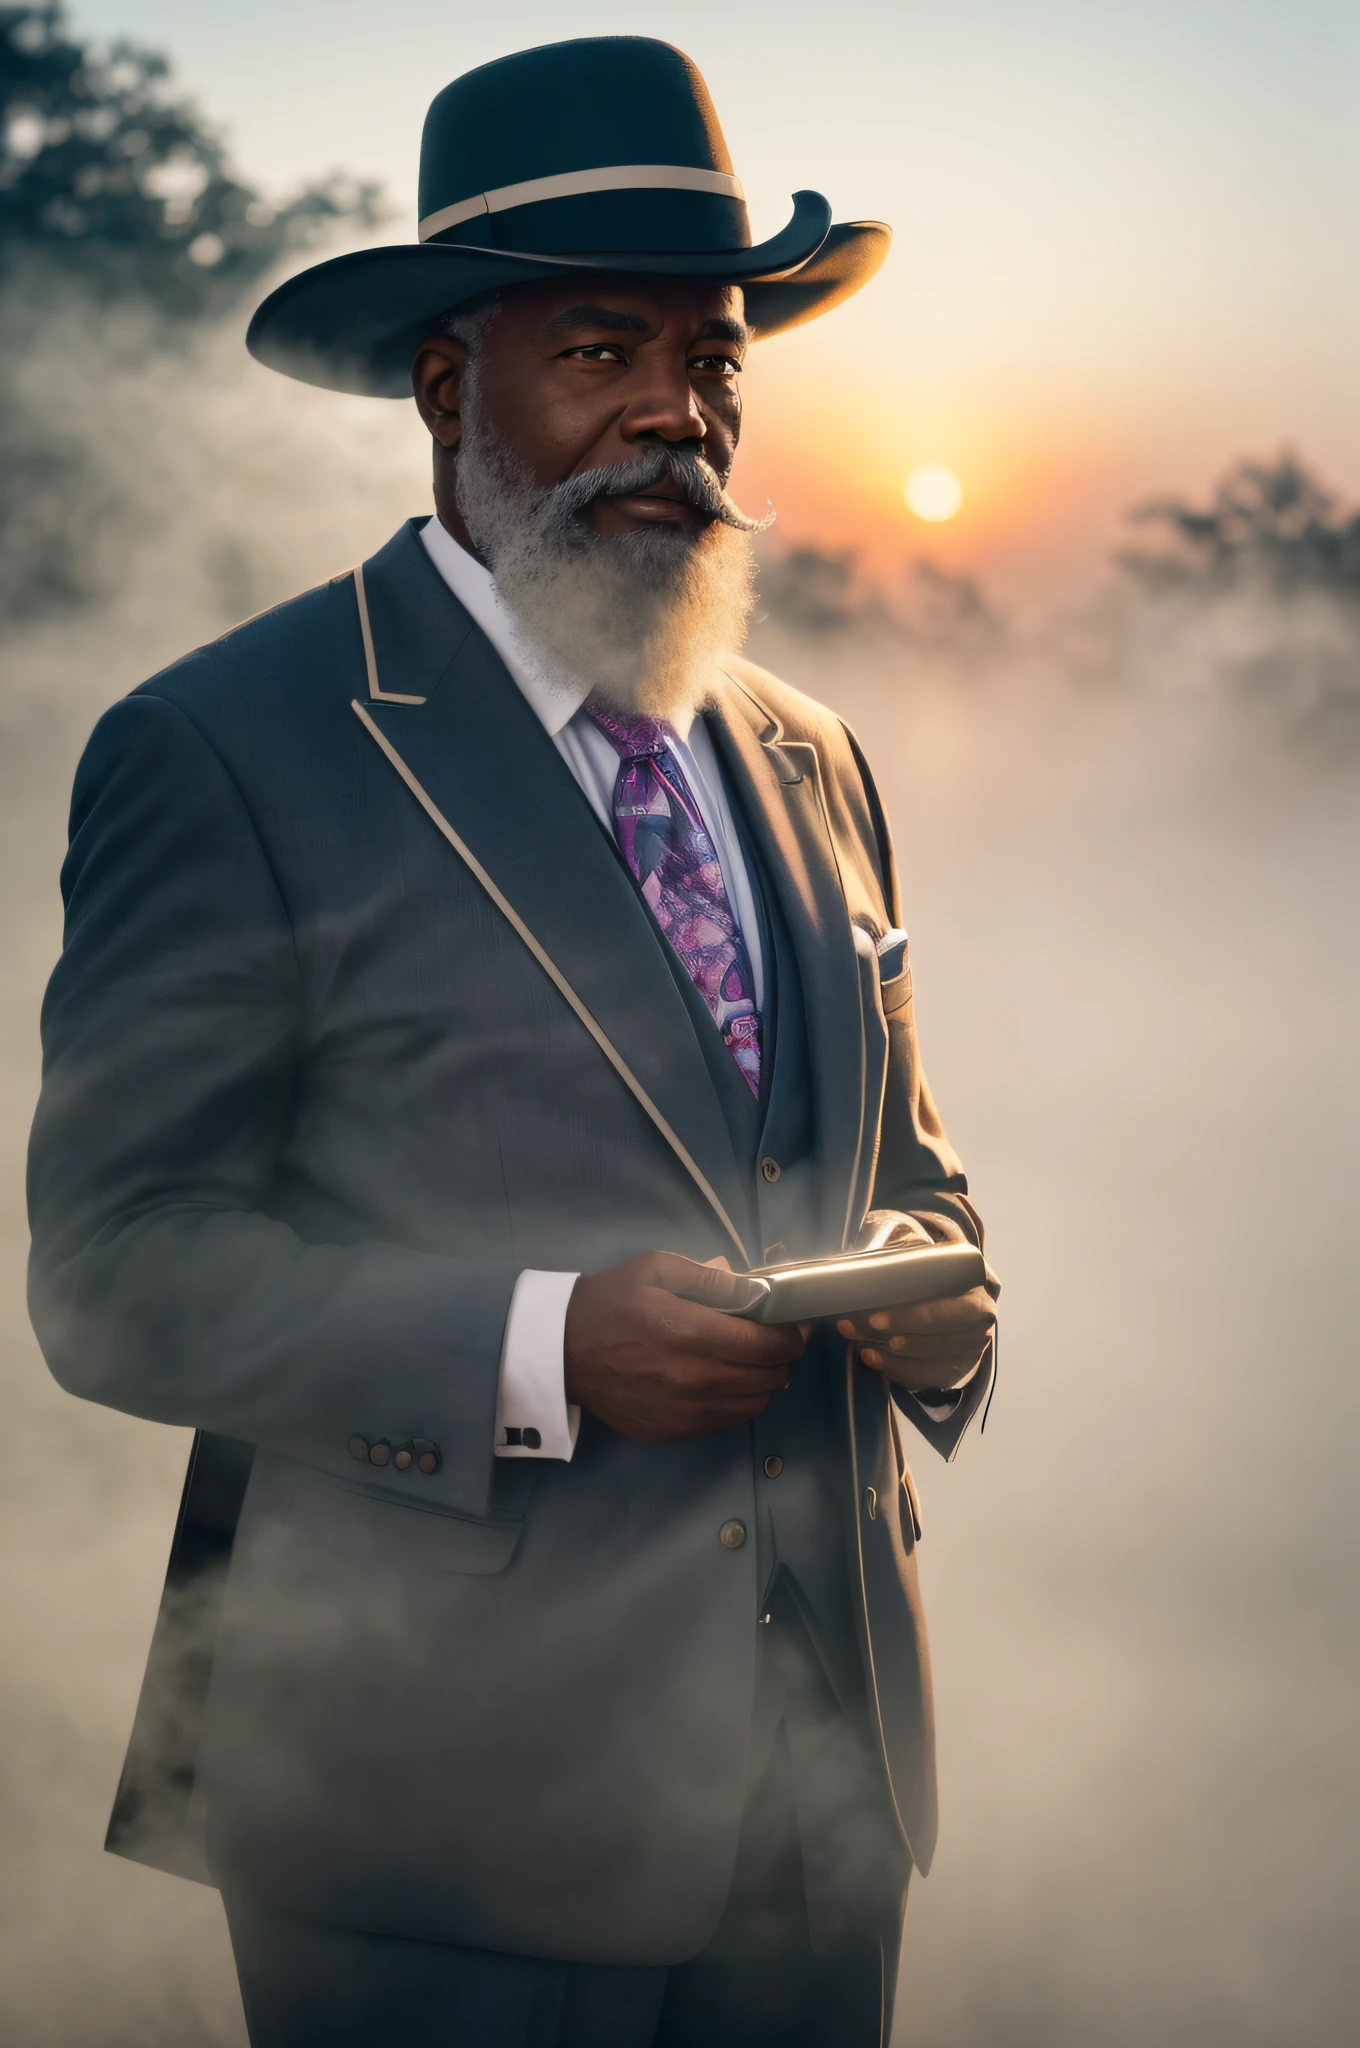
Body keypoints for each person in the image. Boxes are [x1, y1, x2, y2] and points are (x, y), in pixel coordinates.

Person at [26, 36, 998, 2048]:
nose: (677, 409)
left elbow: (905, 1174)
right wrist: (545, 1345)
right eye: (598, 346)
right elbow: (113, 1277)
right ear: (447, 386)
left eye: (715, 354)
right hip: (431, 1825)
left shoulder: (809, 750)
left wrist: (935, 1295)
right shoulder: (224, 748)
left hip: (822, 1799)